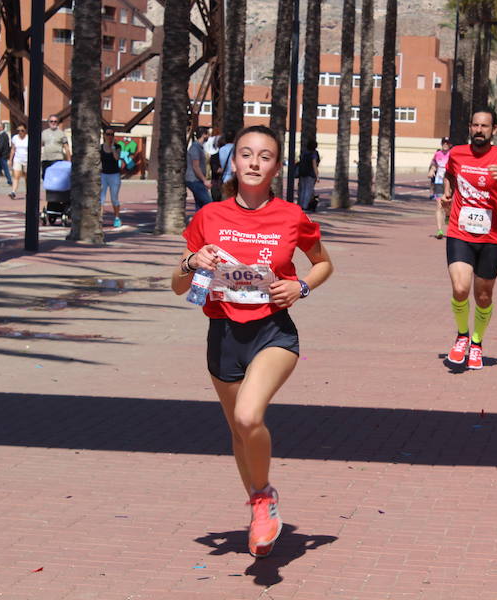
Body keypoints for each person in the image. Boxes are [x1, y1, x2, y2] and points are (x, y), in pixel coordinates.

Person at [172, 125, 334, 558]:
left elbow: (323, 264)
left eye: (265, 156)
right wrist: (192, 261)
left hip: (273, 332)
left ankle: (264, 498)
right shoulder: (209, 217)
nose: (254, 162)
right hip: (223, 334)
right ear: (234, 162)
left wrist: (300, 287)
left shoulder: (291, 216)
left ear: (276, 167)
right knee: (239, 432)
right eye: (246, 154)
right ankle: (260, 511)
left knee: (248, 416)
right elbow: (177, 285)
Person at [441, 108, 497, 369]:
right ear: (470, 127)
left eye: (485, 126)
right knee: (460, 288)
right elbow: (450, 173)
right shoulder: (457, 153)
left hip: (491, 238)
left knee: (483, 296)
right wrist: (448, 193)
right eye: (475, 125)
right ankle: (461, 337)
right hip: (459, 233)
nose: (479, 130)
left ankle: (477, 343)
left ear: (494, 130)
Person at [186, 127, 213, 211]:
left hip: (197, 180)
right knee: (208, 202)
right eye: (208, 134)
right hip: (194, 180)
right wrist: (204, 180)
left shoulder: (199, 147)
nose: (209, 136)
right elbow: (195, 166)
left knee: (200, 204)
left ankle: (199, 222)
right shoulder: (195, 148)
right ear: (204, 135)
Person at [429, 137, 451, 238]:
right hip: (439, 181)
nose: (445, 145)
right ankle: (439, 230)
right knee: (439, 205)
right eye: (443, 143)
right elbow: (434, 164)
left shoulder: (453, 154)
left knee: (448, 204)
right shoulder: (437, 154)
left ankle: (447, 215)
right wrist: (432, 170)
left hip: (449, 182)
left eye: (447, 143)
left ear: (450, 144)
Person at [100, 128, 123, 228]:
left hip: (114, 175)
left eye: (112, 134)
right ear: (104, 135)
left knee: (114, 199)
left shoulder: (117, 146)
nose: (110, 136)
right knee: (101, 198)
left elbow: (116, 158)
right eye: (108, 134)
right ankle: (99, 218)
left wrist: (113, 147)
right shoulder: (100, 148)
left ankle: (117, 218)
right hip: (103, 175)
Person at [210, 131, 235, 202]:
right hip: (233, 180)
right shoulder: (237, 149)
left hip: (224, 179)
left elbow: (218, 167)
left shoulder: (221, 150)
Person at [297, 140, 320, 211]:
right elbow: (314, 164)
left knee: (302, 190)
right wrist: (317, 175)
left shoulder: (304, 153)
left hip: (302, 173)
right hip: (310, 174)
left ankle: (300, 205)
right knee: (308, 190)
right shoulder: (314, 153)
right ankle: (305, 205)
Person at [8, 124, 29, 199]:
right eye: (18, 131)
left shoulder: (28, 138)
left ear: (25, 130)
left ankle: (28, 193)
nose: (20, 132)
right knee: (16, 176)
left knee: (27, 178)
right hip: (17, 159)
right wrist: (10, 160)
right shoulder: (15, 138)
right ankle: (13, 192)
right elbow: (13, 149)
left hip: (27, 160)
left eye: (22, 130)